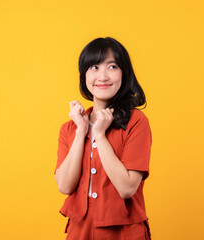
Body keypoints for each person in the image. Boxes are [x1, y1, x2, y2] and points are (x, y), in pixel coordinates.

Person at [55, 37, 152, 240]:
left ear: (124, 73)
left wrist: (99, 134)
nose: (103, 76)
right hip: (79, 231)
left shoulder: (136, 122)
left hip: (124, 233)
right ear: (84, 75)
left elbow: (126, 188)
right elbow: (64, 186)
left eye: (112, 66)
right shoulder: (70, 128)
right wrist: (82, 131)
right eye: (94, 67)